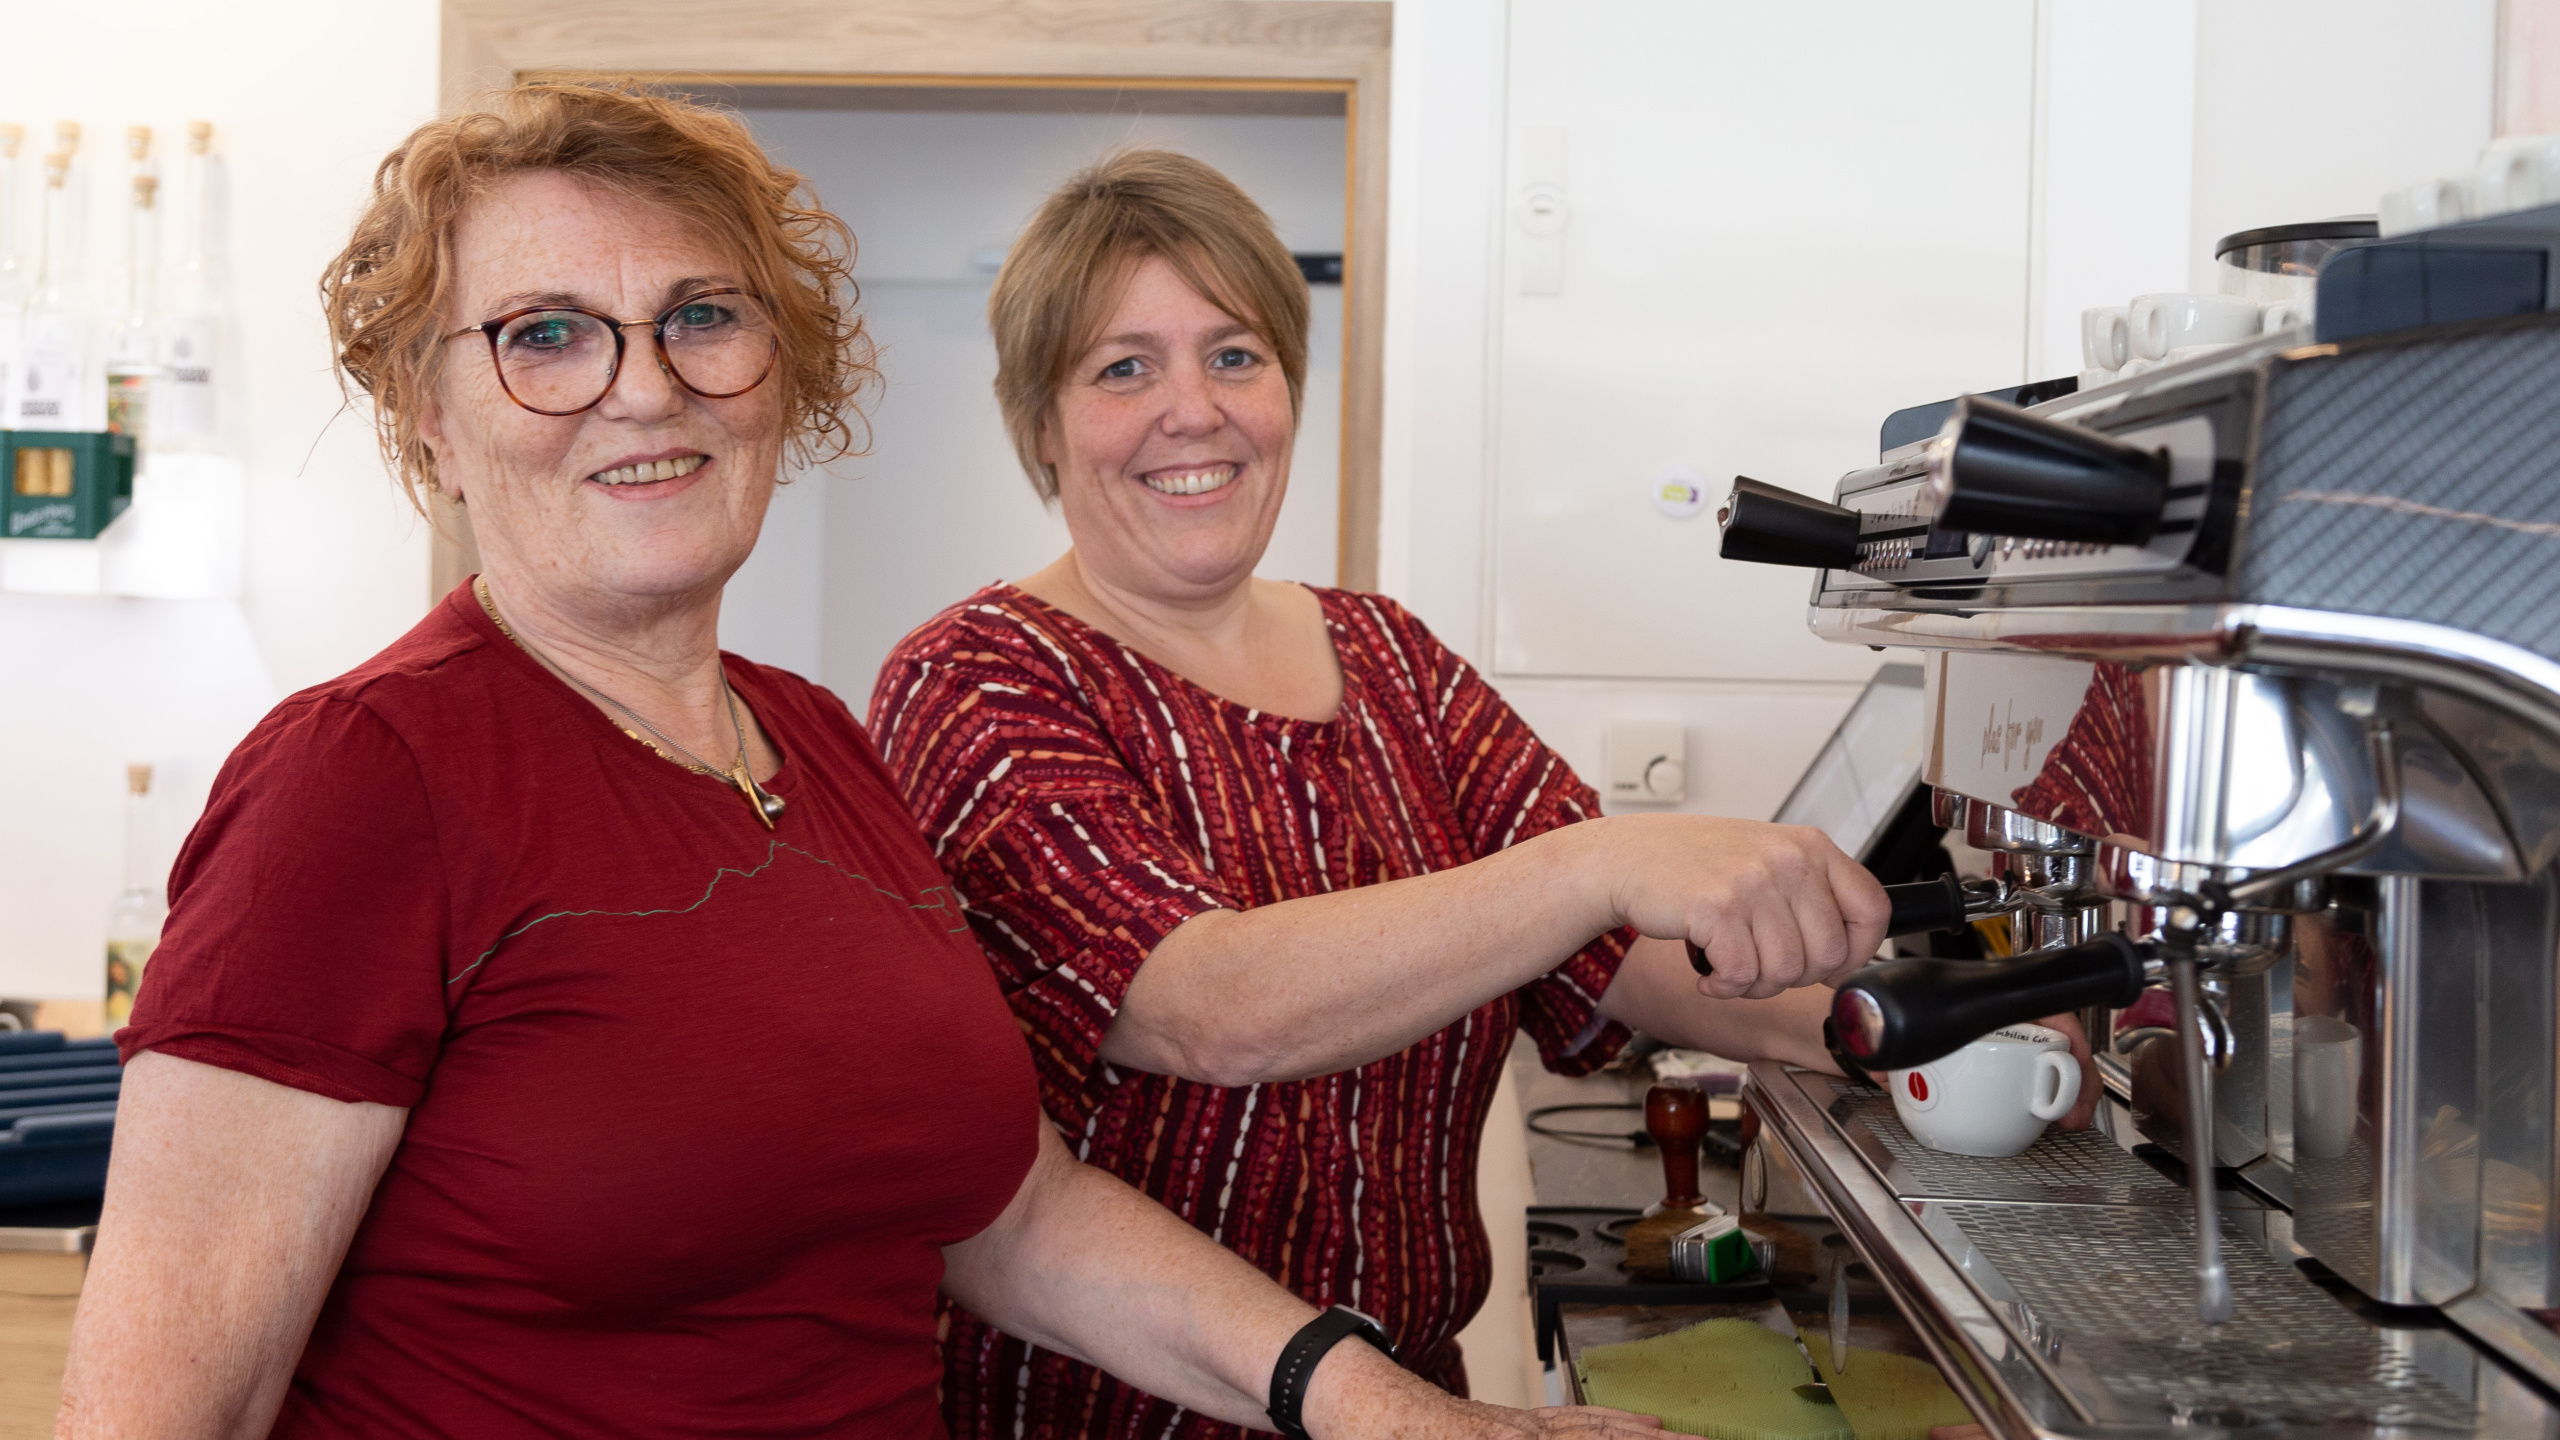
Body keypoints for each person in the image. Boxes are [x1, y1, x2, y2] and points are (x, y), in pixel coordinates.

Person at [53, 86, 1686, 1440]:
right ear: (431, 418)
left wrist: (1388, 1410)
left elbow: (1012, 1215)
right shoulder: (361, 777)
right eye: (547, 335)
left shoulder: (817, 746)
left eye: (703, 318)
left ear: (781, 376)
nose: (646, 388)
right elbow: (164, 1408)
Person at [868, 150, 2098, 1439]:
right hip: (1109, 1413)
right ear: (1040, 423)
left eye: (1235, 354)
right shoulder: (978, 680)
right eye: (1124, 368)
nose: (1194, 410)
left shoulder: (1388, 656)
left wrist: (1916, 1032)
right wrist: (1600, 864)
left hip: (1412, 1402)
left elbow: (1624, 958)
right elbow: (1205, 1010)